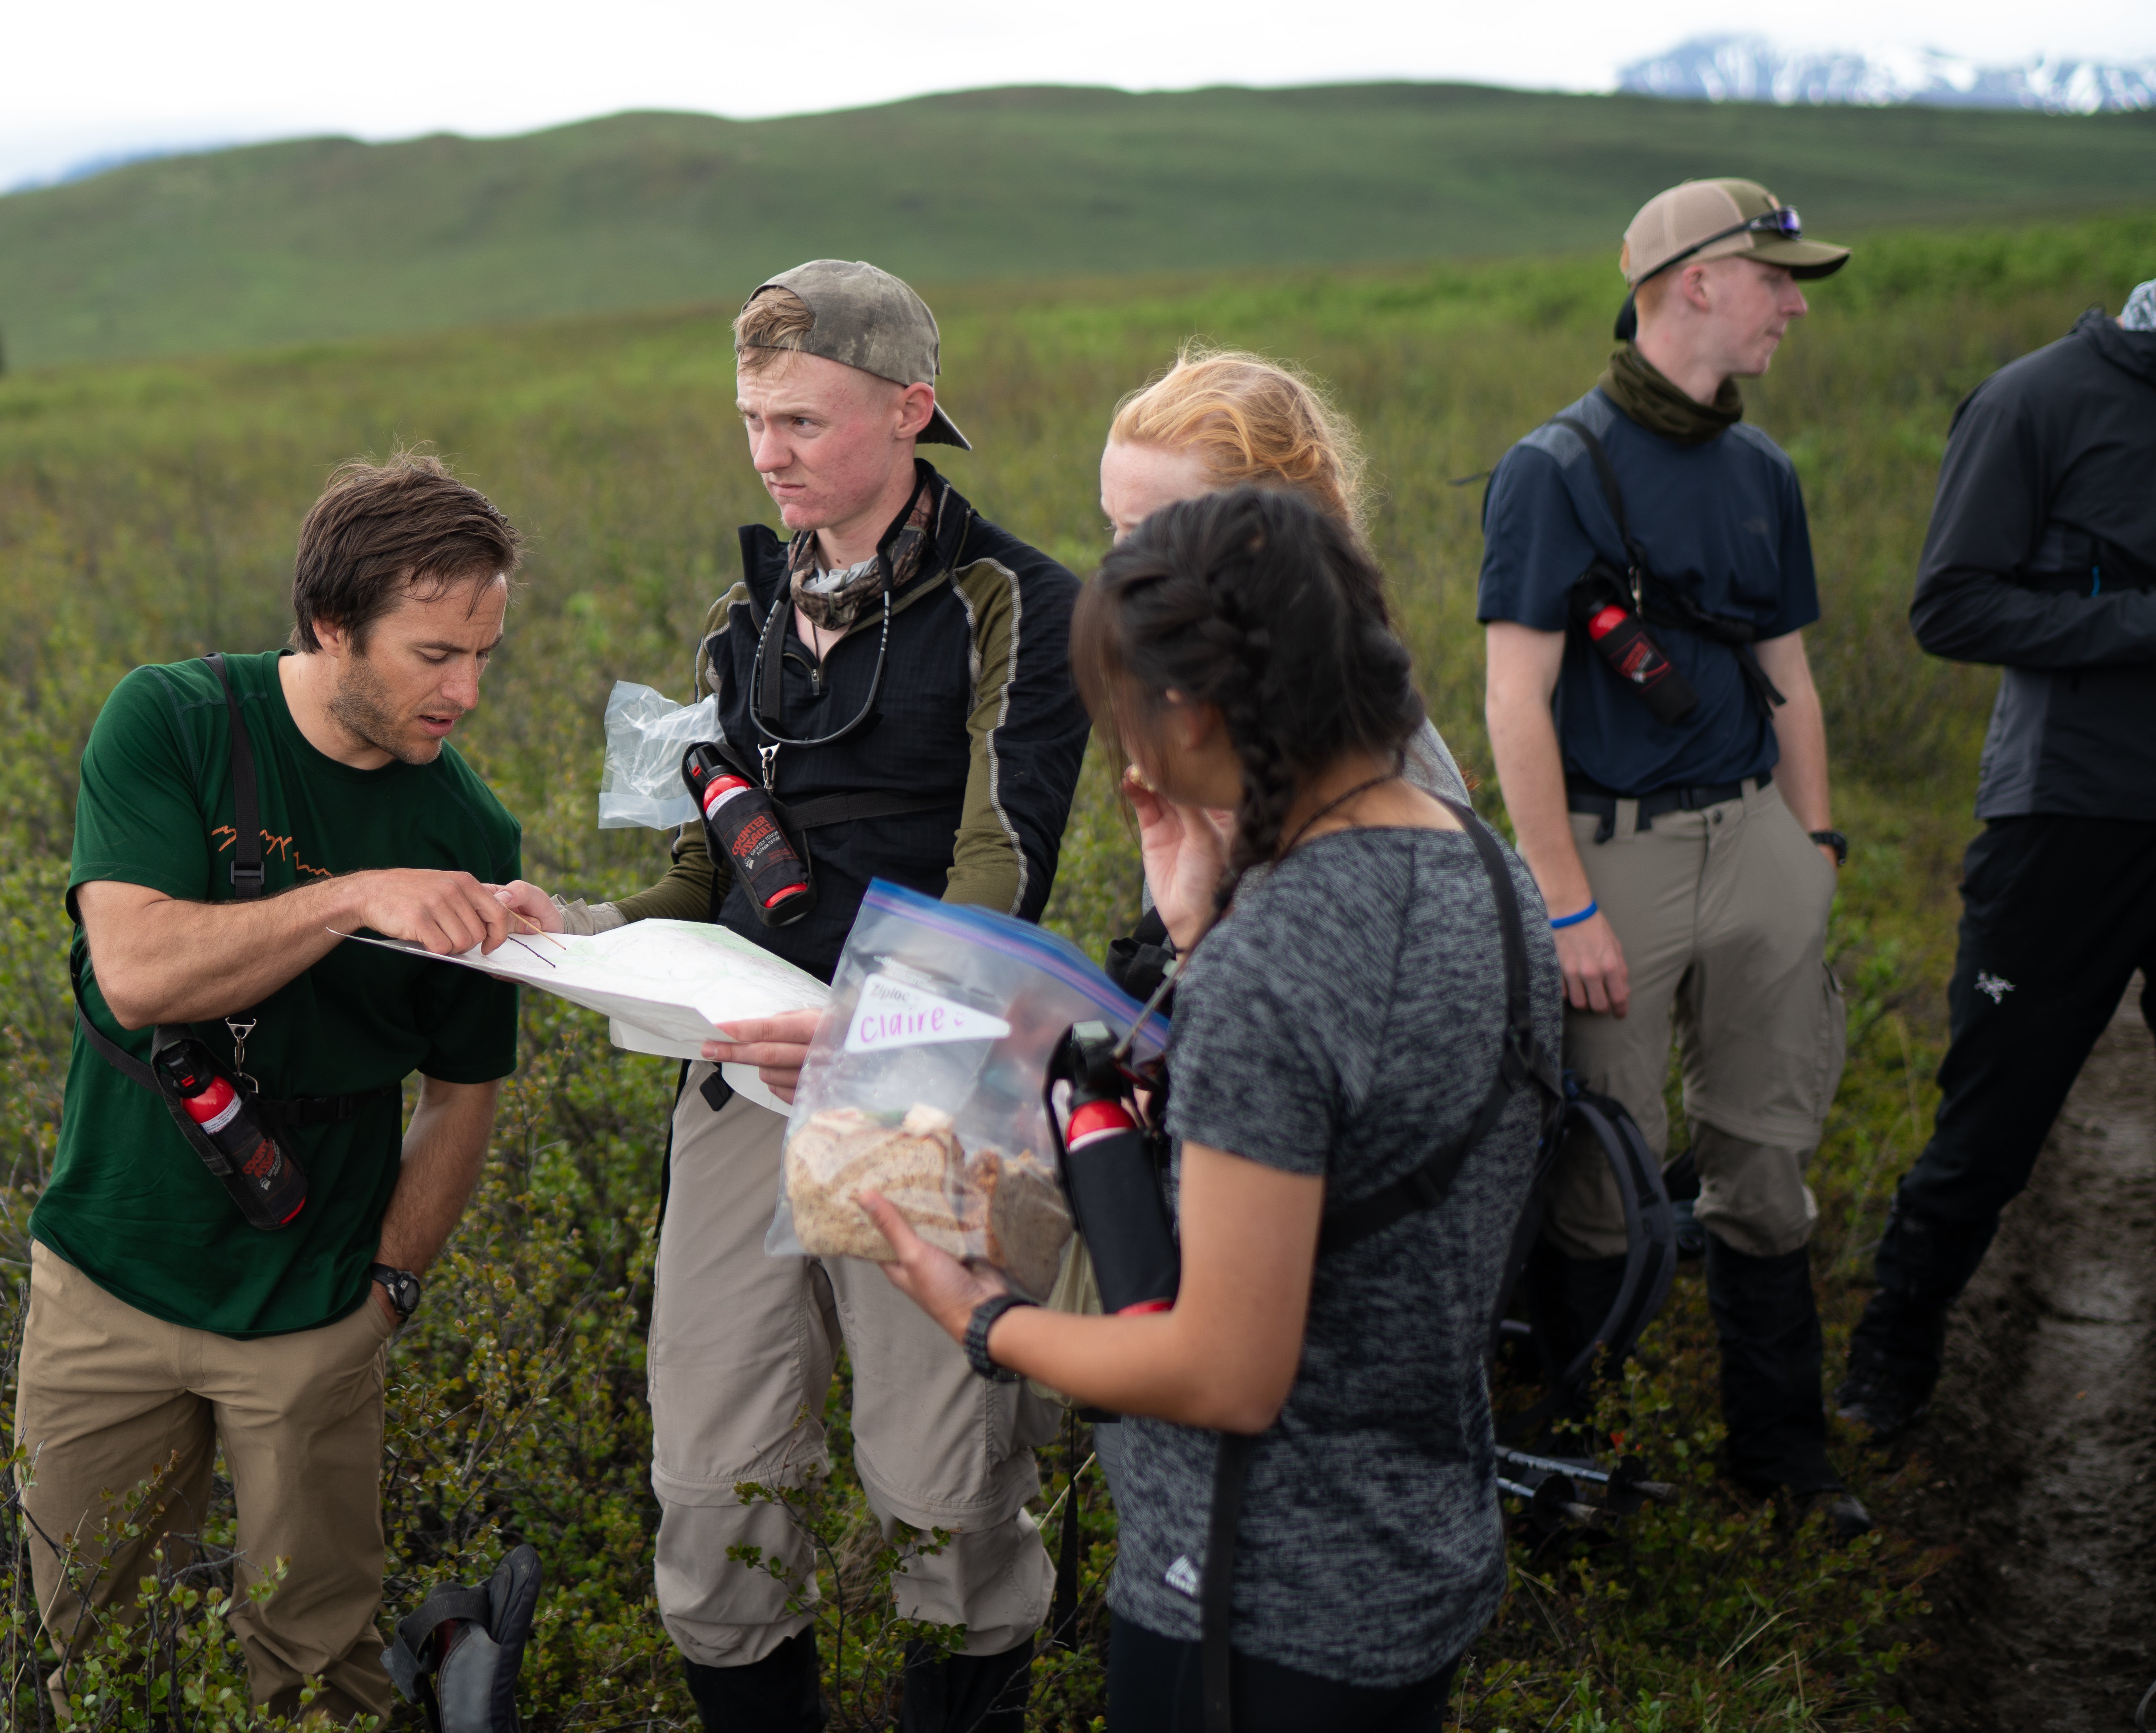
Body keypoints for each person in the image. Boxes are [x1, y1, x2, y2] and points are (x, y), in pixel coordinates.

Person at [864, 485, 1561, 1732]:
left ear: (1187, 710)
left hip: (1249, 1599)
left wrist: (981, 1320)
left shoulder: (1278, 957)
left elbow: (1224, 1371)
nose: (1126, 756)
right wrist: (1200, 923)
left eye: (1125, 715)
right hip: (1416, 1550)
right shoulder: (1482, 867)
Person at [552, 260, 1090, 1733]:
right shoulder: (741, 618)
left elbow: (1005, 859)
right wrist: (571, 931)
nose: (766, 450)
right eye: (748, 418)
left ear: (910, 409)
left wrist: (871, 1025)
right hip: (738, 1075)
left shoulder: (1014, 603)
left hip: (923, 1080)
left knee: (940, 1485)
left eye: (799, 418)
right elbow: (694, 858)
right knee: (709, 1473)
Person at [19, 451, 550, 1720]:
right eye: (433, 654)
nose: (465, 690)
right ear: (329, 625)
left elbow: (461, 1093)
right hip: (109, 1277)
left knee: (320, 1671)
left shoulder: (465, 834)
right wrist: (357, 896)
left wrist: (385, 1293)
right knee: (87, 1657)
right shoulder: (173, 721)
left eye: (483, 653)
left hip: (315, 1310)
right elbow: (138, 974)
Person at [1475, 177, 1865, 1530]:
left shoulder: (1763, 470)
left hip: (1753, 840)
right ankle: (1588, 1465)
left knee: (1765, 1162)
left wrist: (1808, 849)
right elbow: (1511, 700)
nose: (1796, 305)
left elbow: (1792, 681)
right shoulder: (1552, 470)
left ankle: (1784, 1457)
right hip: (1612, 860)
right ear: (1694, 281)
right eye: (1776, 279)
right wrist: (1565, 903)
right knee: (1608, 1178)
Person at [1834, 282, 2156, 1437]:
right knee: (1992, 1122)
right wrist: (2140, 622)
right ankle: (1891, 1365)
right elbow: (1951, 607)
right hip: (2066, 815)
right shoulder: (2035, 403)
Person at [1097, 342, 1470, 819]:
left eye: (1152, 534)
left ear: (1273, 536)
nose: (1116, 567)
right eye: (1114, 527)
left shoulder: (1362, 775)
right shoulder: (1232, 712)